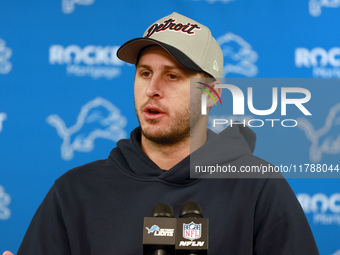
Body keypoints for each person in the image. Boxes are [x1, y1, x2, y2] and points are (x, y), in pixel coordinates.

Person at [3, 12, 319, 254]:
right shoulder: (73, 192)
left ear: (212, 95)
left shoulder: (260, 186)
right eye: (144, 74)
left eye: (172, 76)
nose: (152, 90)